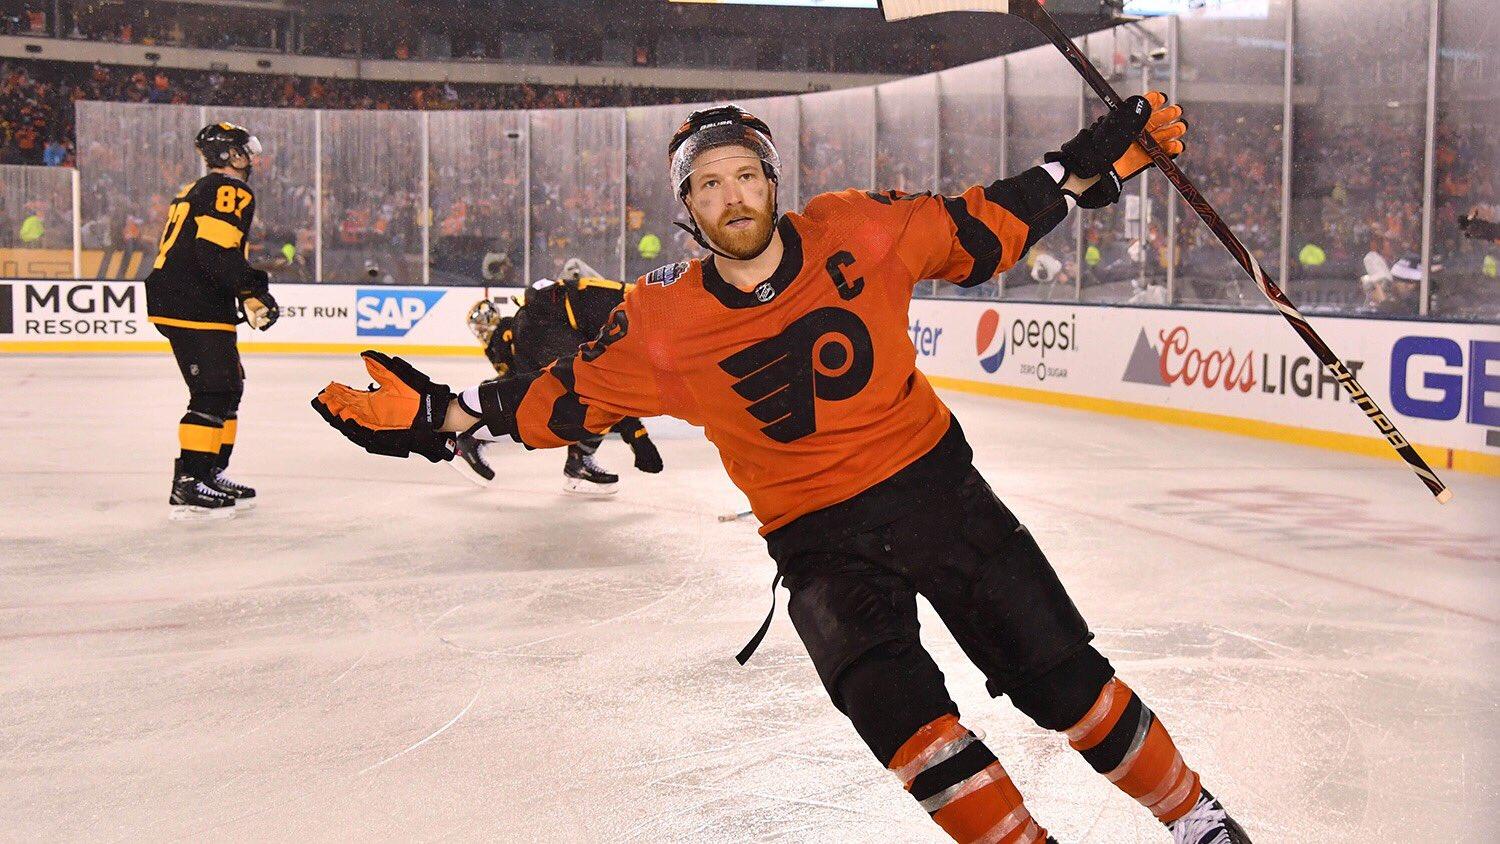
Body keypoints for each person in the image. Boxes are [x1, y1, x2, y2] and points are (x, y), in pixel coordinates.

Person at [312, 100, 1251, 844]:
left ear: (772, 181)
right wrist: (445, 419)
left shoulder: (858, 231)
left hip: (936, 492)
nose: (732, 196)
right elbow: (565, 398)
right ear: (687, 210)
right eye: (709, 185)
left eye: (745, 175)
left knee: (1064, 686)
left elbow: (977, 230)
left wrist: (1082, 166)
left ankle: (1198, 822)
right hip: (819, 544)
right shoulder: (662, 325)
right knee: (909, 732)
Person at [145, 122, 279, 521]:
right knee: (214, 390)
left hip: (193, 298)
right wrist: (252, 290)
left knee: (228, 387)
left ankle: (209, 473)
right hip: (193, 300)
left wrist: (243, 288)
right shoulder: (230, 189)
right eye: (244, 150)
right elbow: (214, 252)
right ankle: (189, 481)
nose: (250, 157)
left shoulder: (198, 188)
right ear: (231, 155)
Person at [452, 258, 663, 493]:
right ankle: (472, 437)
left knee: (572, 403)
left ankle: (577, 461)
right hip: (544, 346)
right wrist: (637, 435)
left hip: (545, 345)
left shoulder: (588, 306)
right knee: (577, 401)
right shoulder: (558, 320)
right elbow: (603, 383)